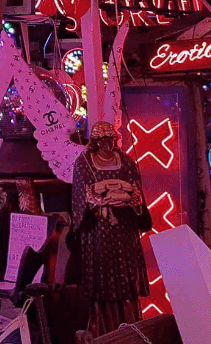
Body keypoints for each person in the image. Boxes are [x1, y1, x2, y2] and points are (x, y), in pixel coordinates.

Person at [69, 121, 152, 336]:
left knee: (126, 284)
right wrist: (96, 202)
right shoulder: (84, 164)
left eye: (110, 140)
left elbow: (137, 194)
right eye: (101, 141)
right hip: (97, 234)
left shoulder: (126, 162)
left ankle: (132, 331)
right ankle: (103, 333)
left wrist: (132, 202)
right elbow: (80, 198)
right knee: (101, 286)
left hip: (124, 233)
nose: (106, 145)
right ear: (94, 142)